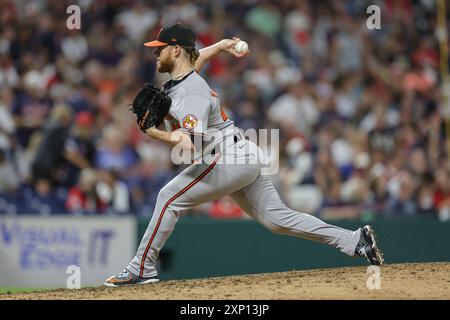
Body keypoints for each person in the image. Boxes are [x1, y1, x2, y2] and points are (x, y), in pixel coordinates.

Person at [104, 23, 383, 287]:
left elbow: (187, 144)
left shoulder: (192, 92)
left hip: (226, 158)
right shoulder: (186, 77)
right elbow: (195, 60)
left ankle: (142, 267)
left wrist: (154, 133)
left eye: (160, 48)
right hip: (241, 154)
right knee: (278, 220)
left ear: (176, 50)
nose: (155, 53)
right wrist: (222, 45)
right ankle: (355, 240)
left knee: (168, 197)